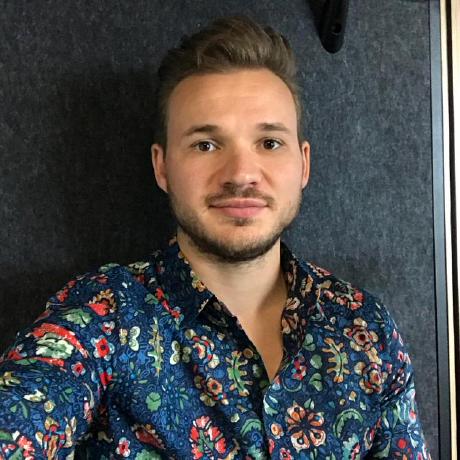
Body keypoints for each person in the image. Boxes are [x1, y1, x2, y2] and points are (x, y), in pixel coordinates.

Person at [0, 15, 430, 460]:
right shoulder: (102, 317)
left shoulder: (365, 328)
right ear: (162, 166)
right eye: (205, 144)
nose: (241, 174)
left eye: (269, 143)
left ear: (303, 164)